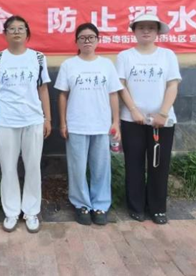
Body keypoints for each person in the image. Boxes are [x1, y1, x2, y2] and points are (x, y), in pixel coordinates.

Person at [0, 15, 52, 233]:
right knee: (8, 167)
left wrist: (47, 118)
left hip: (33, 119)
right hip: (5, 120)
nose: (16, 32)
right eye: (12, 29)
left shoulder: (38, 58)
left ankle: (31, 211)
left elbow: (43, 89)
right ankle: (11, 211)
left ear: (27, 33)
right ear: (5, 33)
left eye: (20, 28)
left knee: (33, 166)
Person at [55, 23, 123, 226]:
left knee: (101, 167)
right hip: (76, 124)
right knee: (77, 167)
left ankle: (100, 204)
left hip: (101, 124)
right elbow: (63, 95)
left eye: (91, 37)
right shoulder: (69, 65)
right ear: (76, 41)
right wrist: (63, 123)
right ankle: (81, 204)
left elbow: (113, 94)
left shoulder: (106, 65)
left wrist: (116, 122)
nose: (87, 41)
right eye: (82, 38)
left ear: (97, 40)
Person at [116, 13, 181, 225]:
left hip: (162, 122)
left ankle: (157, 208)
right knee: (133, 164)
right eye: (141, 27)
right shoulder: (125, 56)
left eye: (151, 27)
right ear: (134, 31)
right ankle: (135, 206)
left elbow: (172, 85)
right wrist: (133, 110)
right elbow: (121, 85)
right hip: (131, 120)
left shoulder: (167, 55)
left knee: (159, 165)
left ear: (157, 32)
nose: (146, 31)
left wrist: (163, 113)